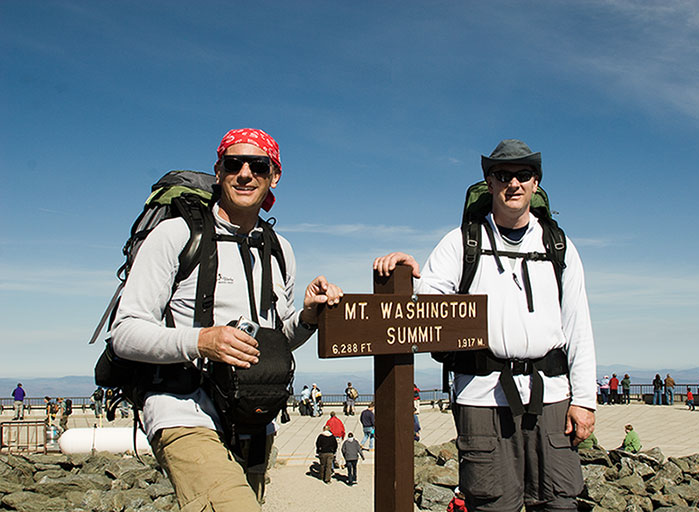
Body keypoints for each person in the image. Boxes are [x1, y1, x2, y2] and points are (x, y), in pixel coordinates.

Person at [111, 128, 343, 511]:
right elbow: (125, 331)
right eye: (234, 164)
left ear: (274, 175)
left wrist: (307, 316)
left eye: (258, 165)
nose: (245, 173)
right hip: (182, 409)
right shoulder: (176, 236)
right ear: (218, 171)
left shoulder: (279, 249)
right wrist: (202, 341)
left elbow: (275, 338)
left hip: (253, 418)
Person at [374, 139, 596, 511]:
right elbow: (429, 307)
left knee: (559, 502)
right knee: (492, 504)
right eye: (502, 175)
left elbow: (578, 325)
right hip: (481, 397)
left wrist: (585, 401)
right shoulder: (461, 243)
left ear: (535, 183)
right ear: (489, 183)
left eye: (523, 175)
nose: (514, 183)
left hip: (552, 395)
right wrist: (409, 276)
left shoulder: (559, 245)